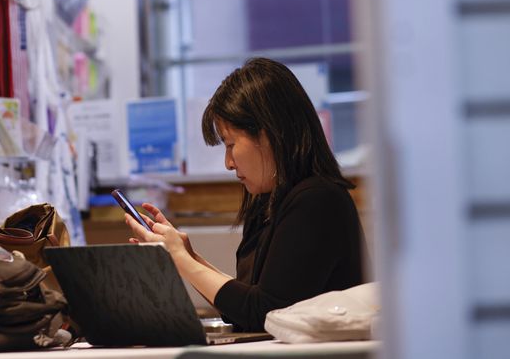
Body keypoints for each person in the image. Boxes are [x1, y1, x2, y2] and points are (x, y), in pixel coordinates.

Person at [124, 57, 367, 331]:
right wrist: (188, 258)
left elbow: (265, 313)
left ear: (268, 135)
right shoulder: (270, 200)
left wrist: (180, 260)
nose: (228, 163)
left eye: (230, 145)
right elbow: (244, 305)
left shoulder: (318, 201)